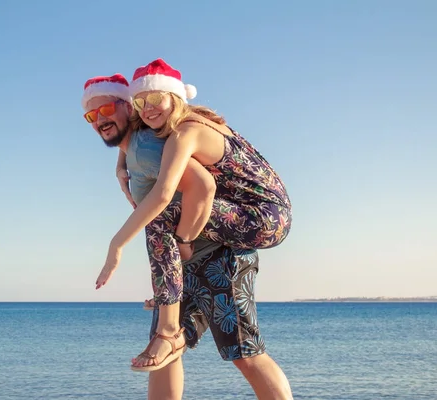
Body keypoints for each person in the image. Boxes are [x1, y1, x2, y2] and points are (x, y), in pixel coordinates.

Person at [81, 73, 293, 399]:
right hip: (197, 254)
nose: (100, 120)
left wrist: (119, 245)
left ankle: (168, 326)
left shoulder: (159, 142)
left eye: (107, 109)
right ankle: (168, 323)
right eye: (92, 116)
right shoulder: (141, 147)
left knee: (246, 354)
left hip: (228, 249)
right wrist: (120, 162)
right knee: (166, 356)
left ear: (128, 110)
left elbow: (199, 188)